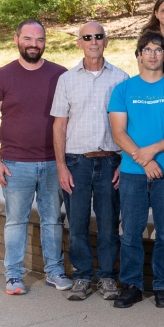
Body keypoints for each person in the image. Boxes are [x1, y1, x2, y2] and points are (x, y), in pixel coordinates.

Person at [0, 19, 70, 295]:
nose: (34, 44)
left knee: (53, 220)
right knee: (16, 221)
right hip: (15, 164)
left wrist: (64, 162)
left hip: (52, 162)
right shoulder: (1, 76)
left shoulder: (60, 75)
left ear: (45, 42)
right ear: (16, 39)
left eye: (40, 39)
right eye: (28, 39)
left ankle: (54, 271)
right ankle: (13, 276)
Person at [50, 22, 129, 301]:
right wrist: (61, 166)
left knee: (109, 223)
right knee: (78, 222)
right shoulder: (67, 80)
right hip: (76, 163)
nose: (93, 41)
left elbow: (129, 127)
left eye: (98, 36)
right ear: (79, 43)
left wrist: (124, 162)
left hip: (110, 162)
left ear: (106, 41)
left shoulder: (121, 78)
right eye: (87, 37)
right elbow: (59, 126)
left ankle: (108, 277)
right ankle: (82, 276)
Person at [107, 33, 164, 309]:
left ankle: (162, 286)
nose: (152, 55)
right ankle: (132, 285)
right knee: (131, 232)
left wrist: (154, 152)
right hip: (133, 173)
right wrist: (145, 160)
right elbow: (118, 132)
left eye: (158, 50)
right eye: (147, 50)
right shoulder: (123, 90)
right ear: (138, 55)